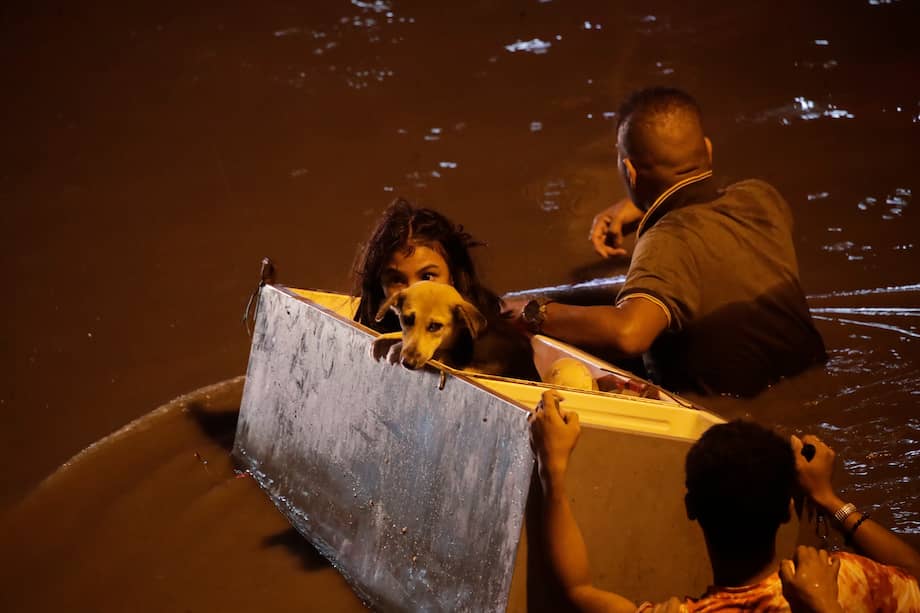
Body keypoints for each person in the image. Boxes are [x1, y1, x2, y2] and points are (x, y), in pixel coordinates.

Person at [507, 87, 826, 396]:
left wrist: (534, 313)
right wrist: (643, 204)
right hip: (807, 378)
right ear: (708, 149)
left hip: (725, 409)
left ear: (630, 171)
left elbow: (629, 334)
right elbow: (706, 200)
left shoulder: (667, 239)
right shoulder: (763, 198)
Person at [529, 390, 920, 612]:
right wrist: (828, 498)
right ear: (787, 510)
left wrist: (553, 469)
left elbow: (576, 590)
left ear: (690, 507)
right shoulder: (843, 581)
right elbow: (912, 572)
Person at [352, 198, 505, 333]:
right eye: (397, 280)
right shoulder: (375, 324)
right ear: (379, 286)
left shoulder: (486, 334)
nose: (414, 293)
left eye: (427, 276)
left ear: (453, 277)